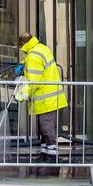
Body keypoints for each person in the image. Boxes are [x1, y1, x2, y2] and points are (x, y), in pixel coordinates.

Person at [14, 33, 68, 163]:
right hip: (50, 97)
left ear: (23, 44)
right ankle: (45, 152)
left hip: (45, 99)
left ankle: (52, 154)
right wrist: (23, 64)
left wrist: (21, 95)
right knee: (44, 127)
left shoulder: (32, 56)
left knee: (46, 127)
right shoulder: (41, 48)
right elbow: (35, 62)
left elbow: (33, 82)